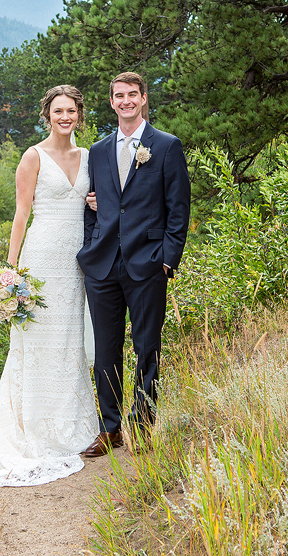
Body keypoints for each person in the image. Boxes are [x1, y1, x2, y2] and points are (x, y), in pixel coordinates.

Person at [0, 85, 98, 486]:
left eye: (71, 111)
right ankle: (33, 430)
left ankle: (74, 429)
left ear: (79, 115)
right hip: (42, 258)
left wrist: (96, 203)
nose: (64, 117)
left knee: (70, 341)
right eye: (57, 111)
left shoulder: (88, 157)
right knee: (38, 343)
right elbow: (21, 215)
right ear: (46, 115)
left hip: (78, 261)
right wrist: (9, 272)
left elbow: (98, 201)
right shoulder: (32, 156)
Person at [77, 72, 191, 457]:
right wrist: (91, 246)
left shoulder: (167, 147)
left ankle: (142, 427)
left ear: (143, 98)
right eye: (118, 96)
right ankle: (111, 430)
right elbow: (92, 203)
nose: (125, 101)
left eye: (132, 95)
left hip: (148, 265)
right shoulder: (99, 150)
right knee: (106, 351)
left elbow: (179, 210)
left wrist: (167, 261)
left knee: (147, 348)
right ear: (111, 102)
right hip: (103, 266)